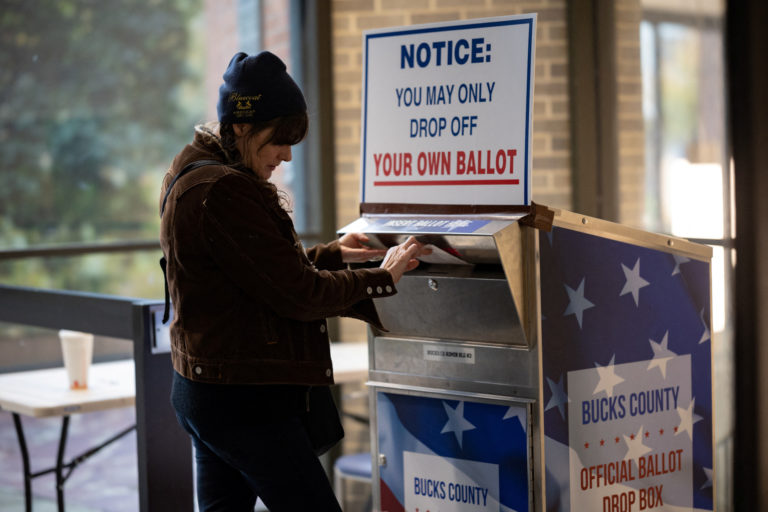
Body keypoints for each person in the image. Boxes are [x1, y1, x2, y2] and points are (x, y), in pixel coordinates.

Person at [159, 51, 427, 511]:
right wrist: (381, 278)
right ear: (241, 126)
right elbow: (298, 294)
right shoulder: (223, 189)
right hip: (246, 404)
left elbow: (248, 274)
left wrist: (332, 255)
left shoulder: (189, 169)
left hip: (206, 391)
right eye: (278, 138)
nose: (285, 154)